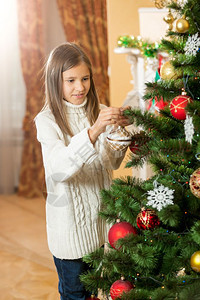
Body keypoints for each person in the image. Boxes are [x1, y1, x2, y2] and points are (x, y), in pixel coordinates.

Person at [35, 42, 130, 300]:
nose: (80, 87)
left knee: (94, 293)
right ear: (56, 81)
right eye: (71, 80)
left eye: (85, 78)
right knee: (75, 294)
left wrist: (121, 136)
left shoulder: (97, 112)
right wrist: (93, 132)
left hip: (100, 228)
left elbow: (111, 163)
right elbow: (59, 168)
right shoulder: (47, 121)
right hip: (70, 236)